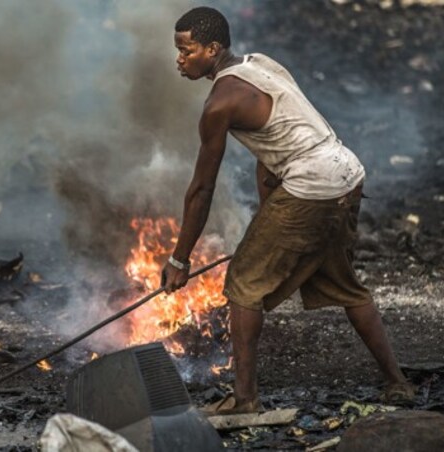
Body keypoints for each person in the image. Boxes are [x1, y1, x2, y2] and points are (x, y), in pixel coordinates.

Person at [160, 6, 414, 415]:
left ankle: (245, 402)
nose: (179, 59)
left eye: (187, 51)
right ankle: (398, 383)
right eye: (178, 51)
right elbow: (271, 151)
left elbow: (201, 189)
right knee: (345, 284)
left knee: (243, 284)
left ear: (213, 48)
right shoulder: (260, 64)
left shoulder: (219, 104)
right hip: (345, 172)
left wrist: (179, 258)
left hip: (311, 186)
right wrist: (268, 215)